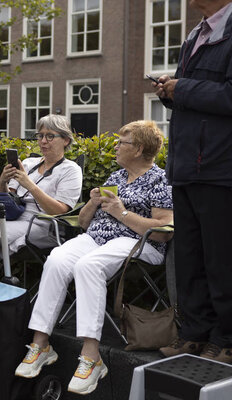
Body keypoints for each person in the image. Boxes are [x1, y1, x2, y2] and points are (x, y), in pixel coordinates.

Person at [15, 121, 172, 395]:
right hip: (97, 238)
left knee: (89, 266)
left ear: (138, 149)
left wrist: (122, 213)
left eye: (122, 142)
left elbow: (163, 231)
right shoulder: (115, 177)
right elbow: (85, 223)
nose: (116, 146)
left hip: (136, 242)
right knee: (57, 259)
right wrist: (91, 203)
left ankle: (92, 356)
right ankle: (41, 344)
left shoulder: (160, 180)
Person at [154, 0, 232, 363]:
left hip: (219, 168)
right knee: (189, 257)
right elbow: (194, 93)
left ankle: (226, 338)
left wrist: (180, 89)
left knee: (221, 259)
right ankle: (195, 333)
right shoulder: (194, 36)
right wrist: (168, 91)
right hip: (185, 166)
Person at [0, 115, 82, 289]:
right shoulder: (28, 163)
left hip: (41, 222)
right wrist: (3, 182)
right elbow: (5, 199)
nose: (43, 141)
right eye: (40, 136)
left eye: (50, 136)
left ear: (65, 140)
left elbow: (59, 210)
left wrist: (29, 184)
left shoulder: (71, 170)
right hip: (12, 215)